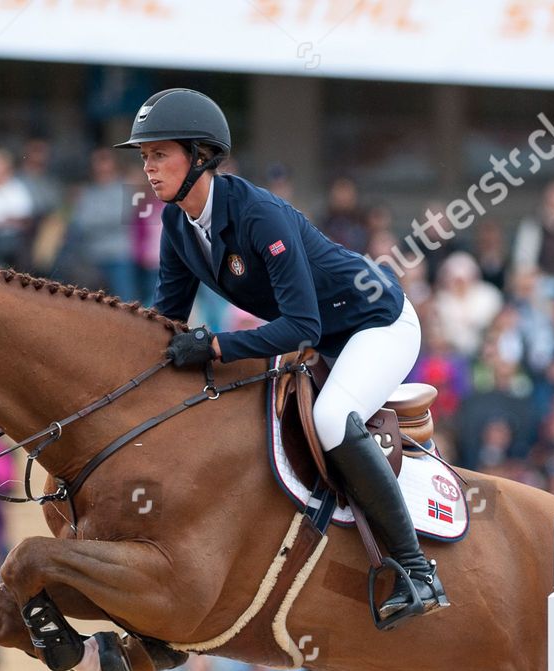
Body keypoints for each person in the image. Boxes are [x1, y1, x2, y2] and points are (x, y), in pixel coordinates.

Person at [116, 88, 446, 626]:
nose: (147, 169)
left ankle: (417, 571)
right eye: (144, 157)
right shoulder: (178, 224)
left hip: (374, 324)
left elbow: (301, 326)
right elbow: (167, 324)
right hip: (324, 336)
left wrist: (217, 345)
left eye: (159, 154)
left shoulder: (259, 216)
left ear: (200, 155)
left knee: (332, 418)